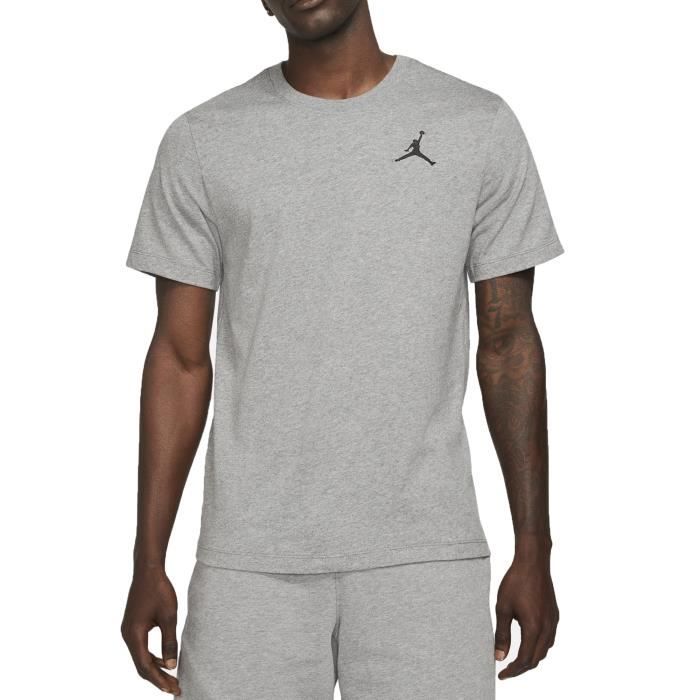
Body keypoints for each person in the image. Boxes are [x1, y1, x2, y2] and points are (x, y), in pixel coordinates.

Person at [121, 0, 562, 697]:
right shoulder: (204, 140)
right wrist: (148, 559)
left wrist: (533, 546)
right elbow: (179, 358)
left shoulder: (476, 124)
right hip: (249, 562)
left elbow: (508, 343)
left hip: (427, 558)